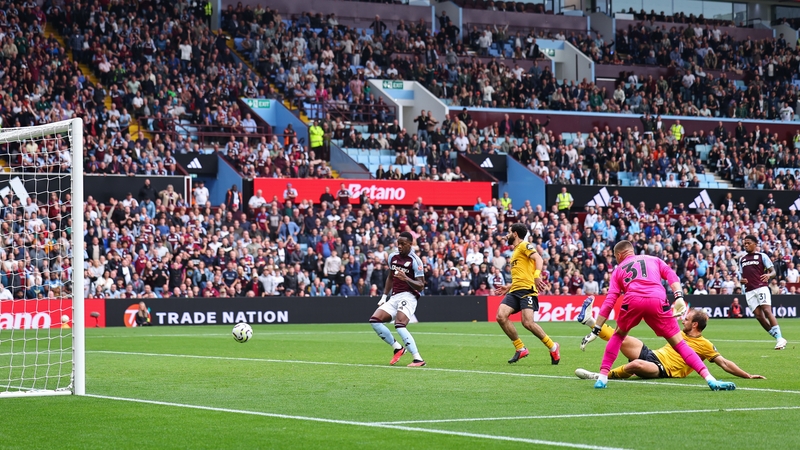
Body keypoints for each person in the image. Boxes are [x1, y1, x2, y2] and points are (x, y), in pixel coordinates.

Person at [583, 240, 736, 390]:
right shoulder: (654, 259)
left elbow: (610, 301)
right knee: (680, 344)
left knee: (618, 336)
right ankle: (710, 379)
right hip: (657, 299)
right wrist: (679, 296)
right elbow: (671, 275)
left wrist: (597, 328)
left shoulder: (618, 270)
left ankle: (602, 378)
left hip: (633, 300)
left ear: (619, 255)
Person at [575, 307, 765, 382]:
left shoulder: (705, 345)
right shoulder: (679, 333)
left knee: (636, 365)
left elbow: (724, 363)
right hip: (652, 354)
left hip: (662, 369)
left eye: (687, 319)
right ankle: (590, 321)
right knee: (621, 337)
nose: (683, 320)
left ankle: (600, 376)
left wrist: (747, 375)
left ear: (695, 325)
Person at [493, 223, 559, 365]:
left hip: (527, 290)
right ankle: (520, 348)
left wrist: (537, 275)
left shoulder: (524, 245)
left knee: (527, 323)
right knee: (501, 316)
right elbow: (522, 274)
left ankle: (553, 347)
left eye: (509, 232)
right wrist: (509, 287)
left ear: (515, 234)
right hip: (514, 290)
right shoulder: (515, 251)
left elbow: (539, 258)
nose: (507, 235)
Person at [368, 232, 426, 367]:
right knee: (374, 321)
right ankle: (398, 348)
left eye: (403, 244)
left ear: (410, 244)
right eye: (398, 244)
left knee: (399, 324)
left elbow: (421, 285)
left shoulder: (416, 261)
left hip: (409, 296)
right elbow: (390, 277)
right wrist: (384, 296)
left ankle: (418, 358)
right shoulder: (392, 257)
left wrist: (406, 278)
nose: (399, 246)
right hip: (394, 296)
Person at [739, 235, 786, 349]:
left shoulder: (762, 256)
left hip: (761, 287)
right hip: (749, 291)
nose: (746, 245)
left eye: (748, 243)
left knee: (766, 310)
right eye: (745, 243)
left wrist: (769, 275)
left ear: (755, 244)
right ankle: (778, 337)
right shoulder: (742, 259)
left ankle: (780, 338)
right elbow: (742, 276)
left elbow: (773, 271)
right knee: (759, 316)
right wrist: (742, 280)